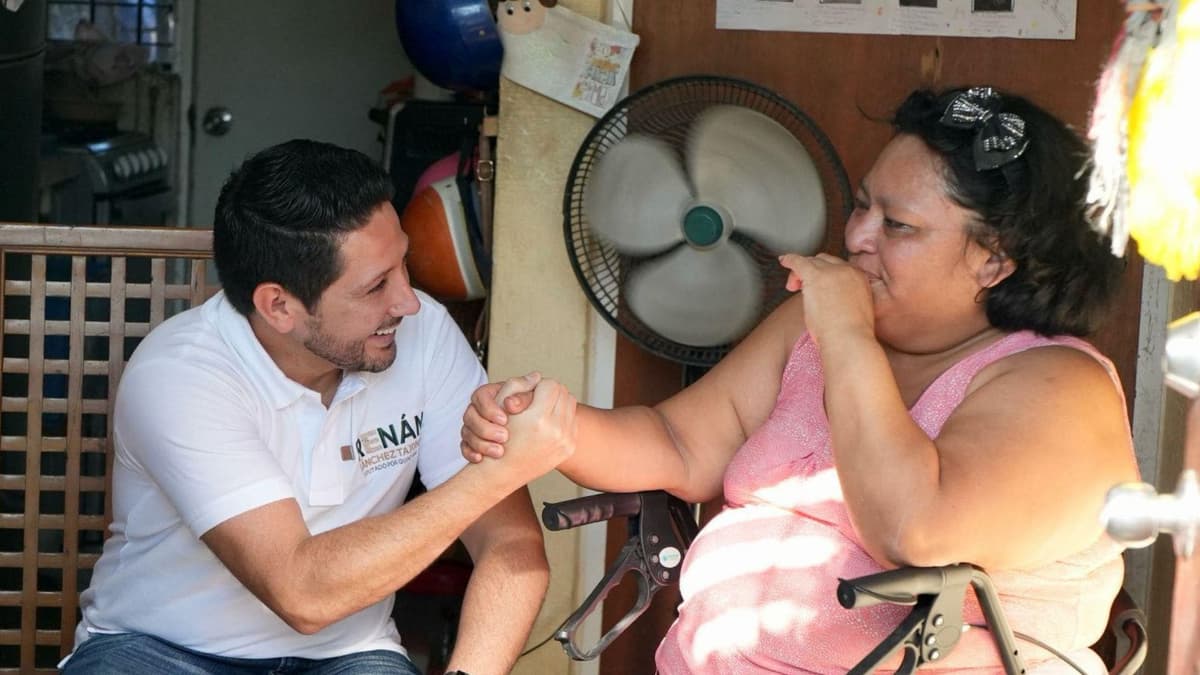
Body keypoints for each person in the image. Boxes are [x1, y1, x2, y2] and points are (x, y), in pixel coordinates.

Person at [462, 87, 1141, 673]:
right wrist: (555, 426)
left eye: (897, 225)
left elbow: (915, 528)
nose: (858, 236)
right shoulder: (813, 328)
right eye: (862, 206)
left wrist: (846, 335)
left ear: (995, 261)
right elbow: (681, 440)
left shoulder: (1059, 387)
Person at [61, 139, 559, 675]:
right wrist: (497, 474)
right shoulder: (180, 374)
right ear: (279, 306)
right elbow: (302, 595)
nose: (409, 302)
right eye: (376, 286)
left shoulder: (425, 334)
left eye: (404, 264)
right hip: (159, 649)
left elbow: (510, 544)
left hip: (350, 656)